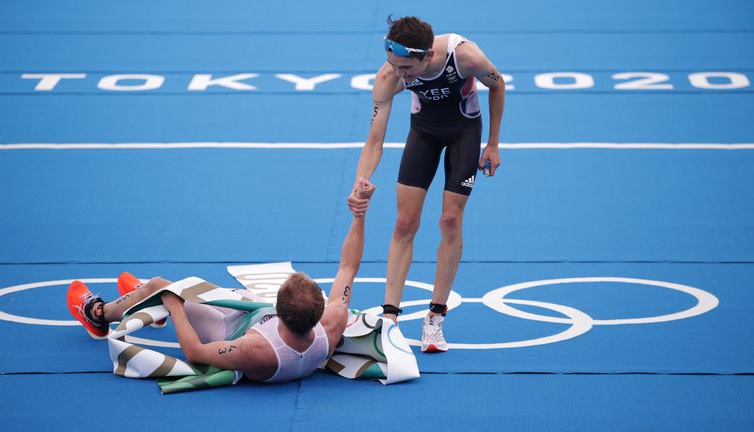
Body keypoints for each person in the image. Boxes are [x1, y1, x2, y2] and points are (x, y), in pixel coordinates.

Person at [67, 178, 376, 383]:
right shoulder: (332, 322)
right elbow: (348, 268)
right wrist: (359, 214)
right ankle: (141, 298)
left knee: (162, 286)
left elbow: (194, 352)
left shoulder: (254, 349)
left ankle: (97, 314)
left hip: (233, 327)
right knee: (200, 291)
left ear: (280, 311)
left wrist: (173, 305)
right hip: (256, 319)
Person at [347, 16, 506, 352]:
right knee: (404, 222)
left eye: (406, 67)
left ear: (427, 56)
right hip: (424, 134)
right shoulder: (388, 76)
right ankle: (389, 319)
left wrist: (492, 143)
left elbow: (498, 84)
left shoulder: (466, 57)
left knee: (450, 219)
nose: (399, 74)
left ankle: (435, 318)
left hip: (465, 134)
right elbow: (374, 141)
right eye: (395, 65)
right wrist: (361, 182)